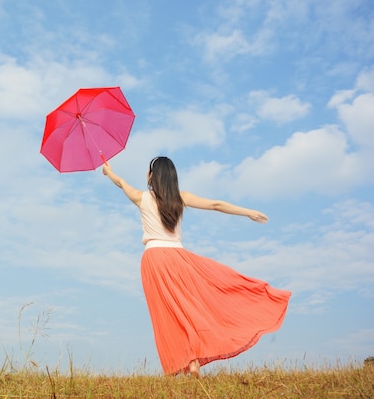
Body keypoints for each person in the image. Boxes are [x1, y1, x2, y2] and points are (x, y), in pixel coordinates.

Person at [102, 156, 291, 377]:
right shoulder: (181, 198)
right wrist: (247, 212)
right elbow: (216, 205)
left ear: (152, 176)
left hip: (154, 259)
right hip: (178, 258)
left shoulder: (141, 197)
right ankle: (191, 360)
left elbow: (120, 182)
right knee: (188, 308)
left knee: (167, 313)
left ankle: (184, 362)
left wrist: (109, 172)